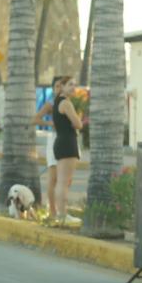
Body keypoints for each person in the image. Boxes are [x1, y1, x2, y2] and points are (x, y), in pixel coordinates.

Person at [47, 76, 83, 226]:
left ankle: (60, 214)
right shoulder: (66, 103)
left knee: (61, 181)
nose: (73, 87)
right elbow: (78, 124)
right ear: (61, 86)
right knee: (63, 182)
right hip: (68, 143)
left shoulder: (56, 102)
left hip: (60, 142)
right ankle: (63, 214)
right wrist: (78, 118)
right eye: (70, 85)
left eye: (74, 84)